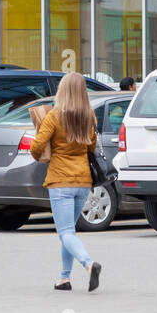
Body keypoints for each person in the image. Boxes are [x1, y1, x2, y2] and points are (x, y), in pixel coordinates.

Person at [31, 71, 102, 292]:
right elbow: (90, 146)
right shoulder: (89, 116)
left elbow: (37, 147)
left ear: (63, 90)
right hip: (82, 181)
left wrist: (43, 155)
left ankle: (89, 264)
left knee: (65, 232)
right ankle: (64, 278)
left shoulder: (54, 116)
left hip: (60, 180)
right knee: (69, 231)